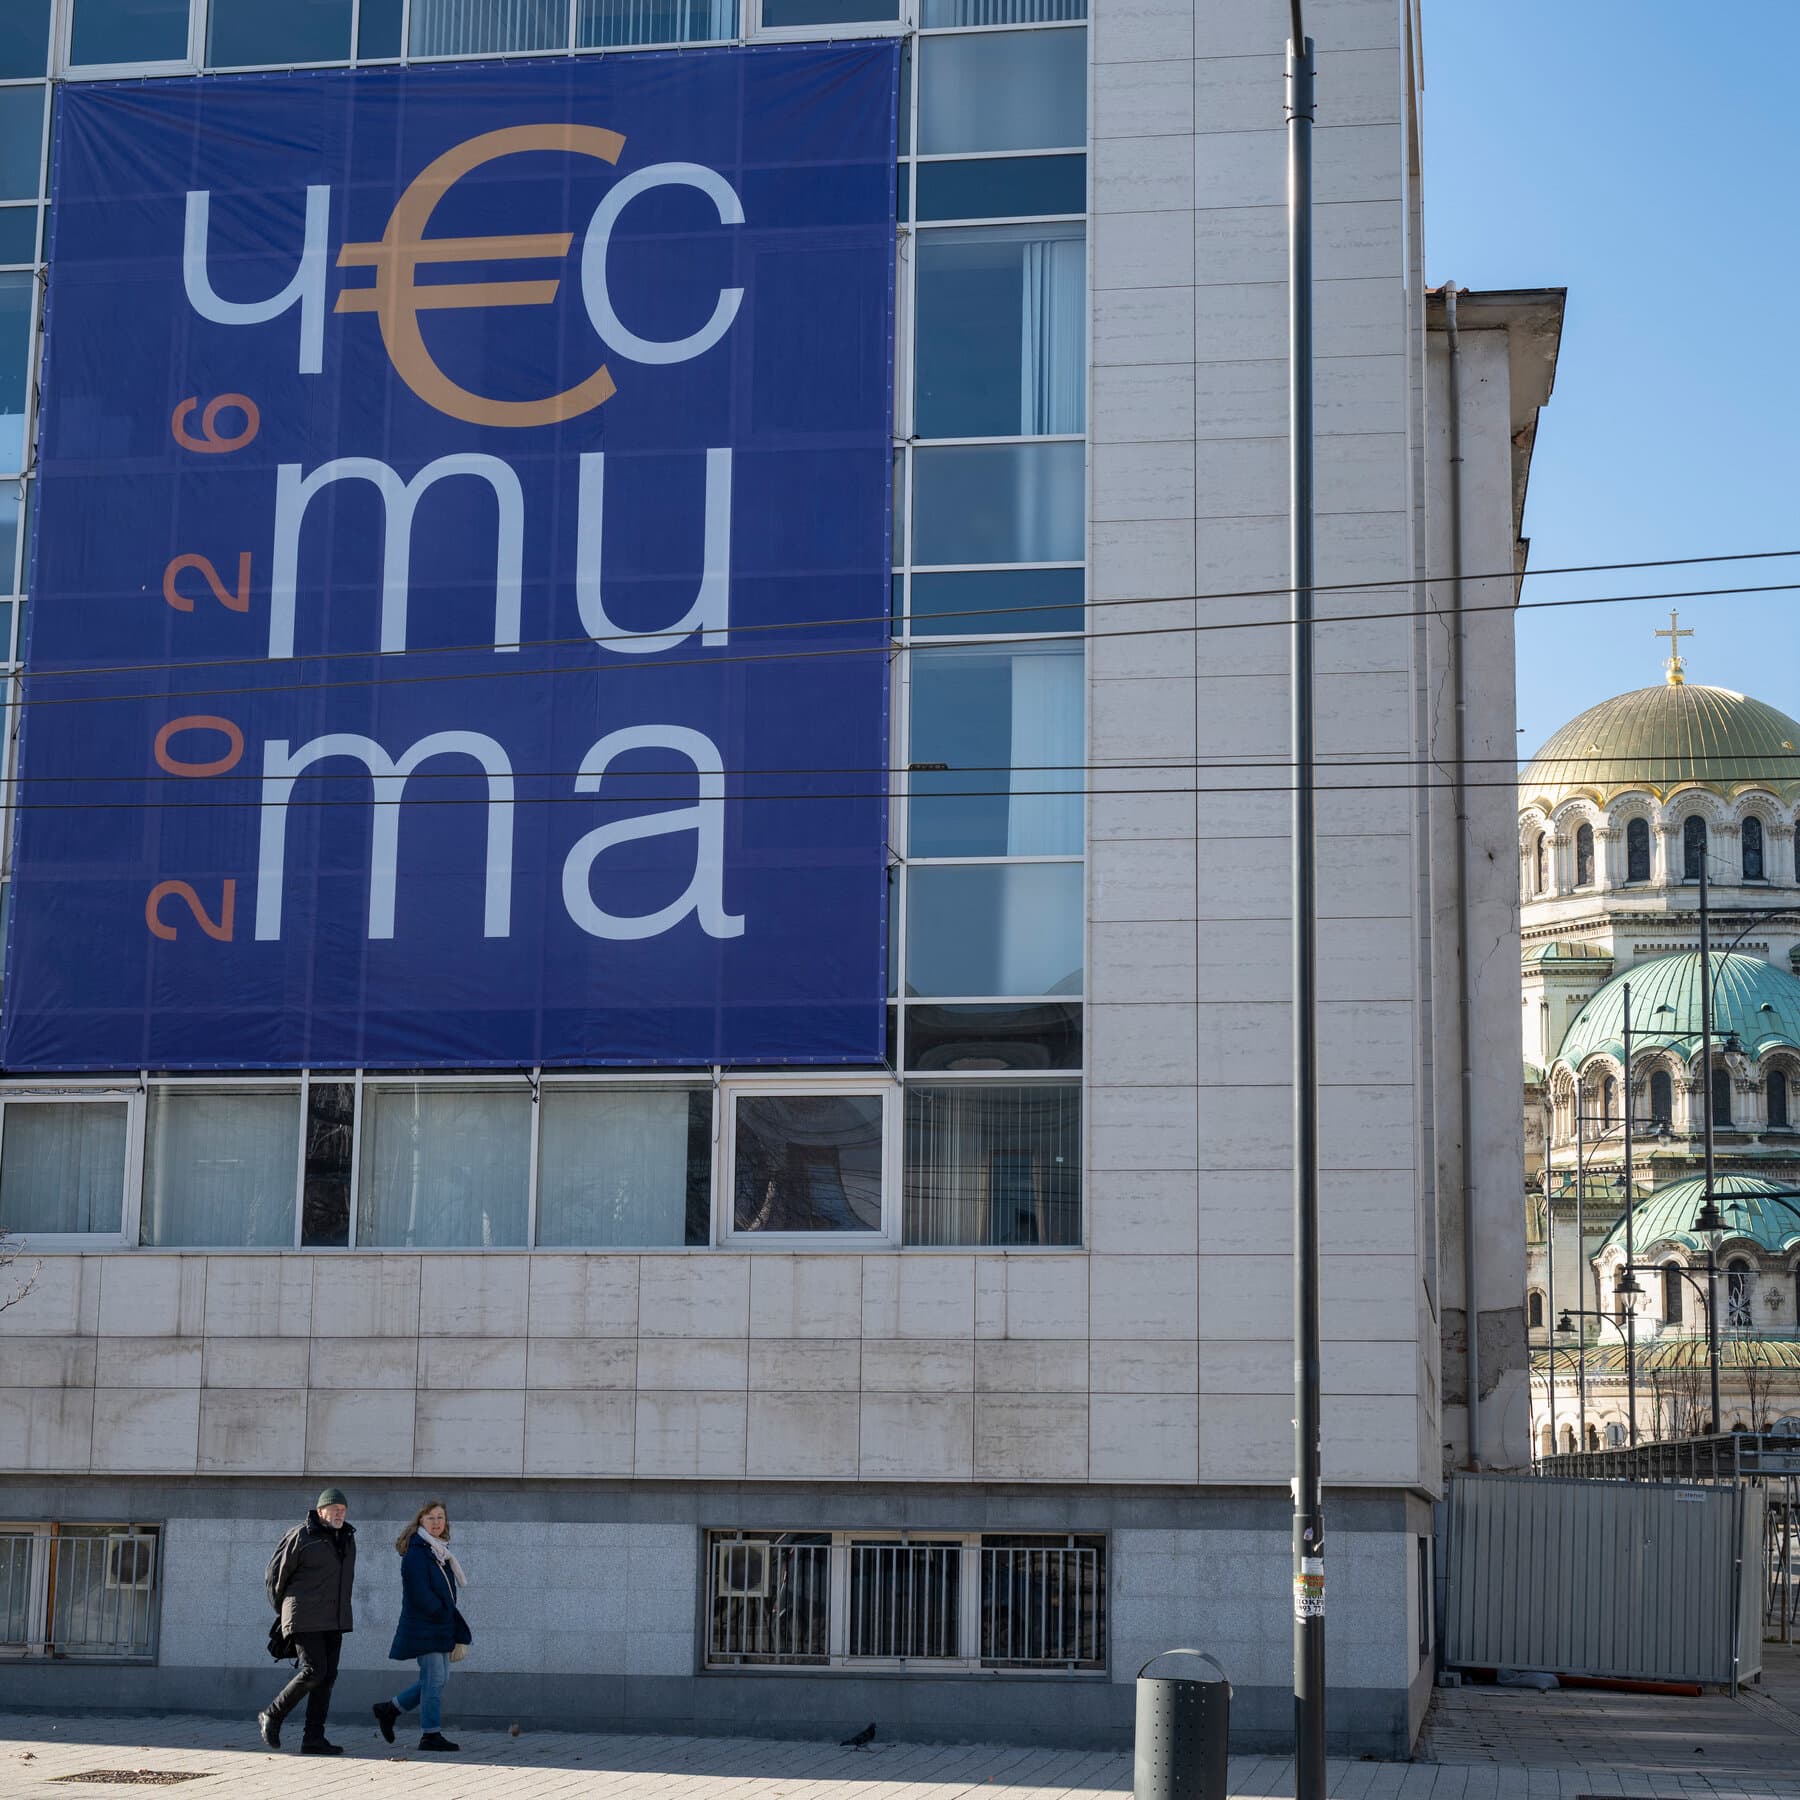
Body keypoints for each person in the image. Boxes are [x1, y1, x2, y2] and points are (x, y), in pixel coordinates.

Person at [259, 1487, 357, 1756]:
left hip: (334, 1618)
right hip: (305, 1615)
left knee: (327, 1677)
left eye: (343, 1509)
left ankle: (313, 1738)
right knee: (314, 1670)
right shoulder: (301, 1535)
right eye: (334, 1509)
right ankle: (272, 1714)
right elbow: (275, 1577)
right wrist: (287, 1611)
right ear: (320, 1510)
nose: (339, 1513)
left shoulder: (347, 1538)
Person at [372, 1499, 471, 1754]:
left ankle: (390, 1709)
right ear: (420, 1522)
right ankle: (430, 1734)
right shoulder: (417, 1551)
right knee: (435, 1679)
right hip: (425, 1626)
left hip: (439, 1625)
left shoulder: (439, 1551)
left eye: (440, 1518)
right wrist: (440, 1611)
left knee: (438, 1678)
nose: (437, 1522)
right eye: (431, 1518)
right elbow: (420, 1592)